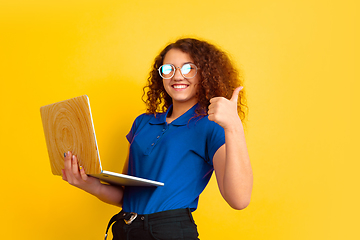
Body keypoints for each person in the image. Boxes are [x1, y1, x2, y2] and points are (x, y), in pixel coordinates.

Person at [62, 38, 253, 240]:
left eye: (188, 68)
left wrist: (233, 127)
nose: (177, 76)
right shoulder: (142, 123)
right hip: (126, 229)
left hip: (169, 231)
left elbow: (239, 200)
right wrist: (88, 183)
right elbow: (127, 194)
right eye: (168, 69)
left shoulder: (211, 126)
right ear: (160, 75)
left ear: (205, 74)